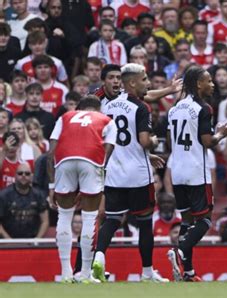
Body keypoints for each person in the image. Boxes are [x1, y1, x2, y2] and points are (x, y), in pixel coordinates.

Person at [93, 63, 169, 283]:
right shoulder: (141, 107)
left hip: (115, 173)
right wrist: (154, 141)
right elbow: (145, 141)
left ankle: (99, 258)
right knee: (145, 222)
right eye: (144, 80)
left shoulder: (107, 107)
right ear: (133, 83)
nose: (148, 83)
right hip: (138, 175)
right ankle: (147, 272)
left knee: (112, 219)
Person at [166, 65, 227, 282]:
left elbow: (170, 141)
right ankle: (182, 249)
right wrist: (221, 134)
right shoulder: (204, 108)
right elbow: (207, 141)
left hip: (177, 170)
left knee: (186, 222)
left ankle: (188, 272)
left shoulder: (174, 108)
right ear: (198, 84)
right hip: (196, 171)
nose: (212, 84)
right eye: (209, 81)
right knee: (204, 221)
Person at [47, 95, 117, 283]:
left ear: (79, 108)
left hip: (63, 161)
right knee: (89, 217)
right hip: (92, 159)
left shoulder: (65, 117)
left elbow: (50, 151)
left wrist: (52, 185)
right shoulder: (106, 120)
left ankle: (65, 274)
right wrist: (96, 175)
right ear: (98, 108)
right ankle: (85, 273)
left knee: (64, 215)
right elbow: (108, 149)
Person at [0, 162, 49, 238]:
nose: (23, 175)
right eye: (20, 173)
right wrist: (8, 240)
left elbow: (45, 221)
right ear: (15, 176)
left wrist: (36, 240)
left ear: (32, 176)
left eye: (27, 173)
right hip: (7, 243)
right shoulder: (3, 195)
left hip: (32, 242)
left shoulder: (39, 195)